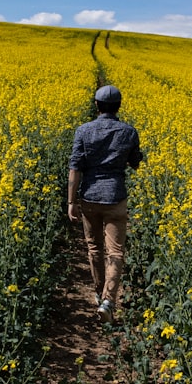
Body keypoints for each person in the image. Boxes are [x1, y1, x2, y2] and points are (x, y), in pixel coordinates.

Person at [67, 85, 143, 321]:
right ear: (119, 106)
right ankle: (109, 300)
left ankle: (100, 294)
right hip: (116, 197)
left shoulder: (84, 131)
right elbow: (135, 162)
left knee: (94, 248)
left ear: (97, 105)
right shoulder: (129, 132)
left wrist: (71, 201)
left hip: (89, 196)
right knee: (116, 251)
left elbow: (75, 167)